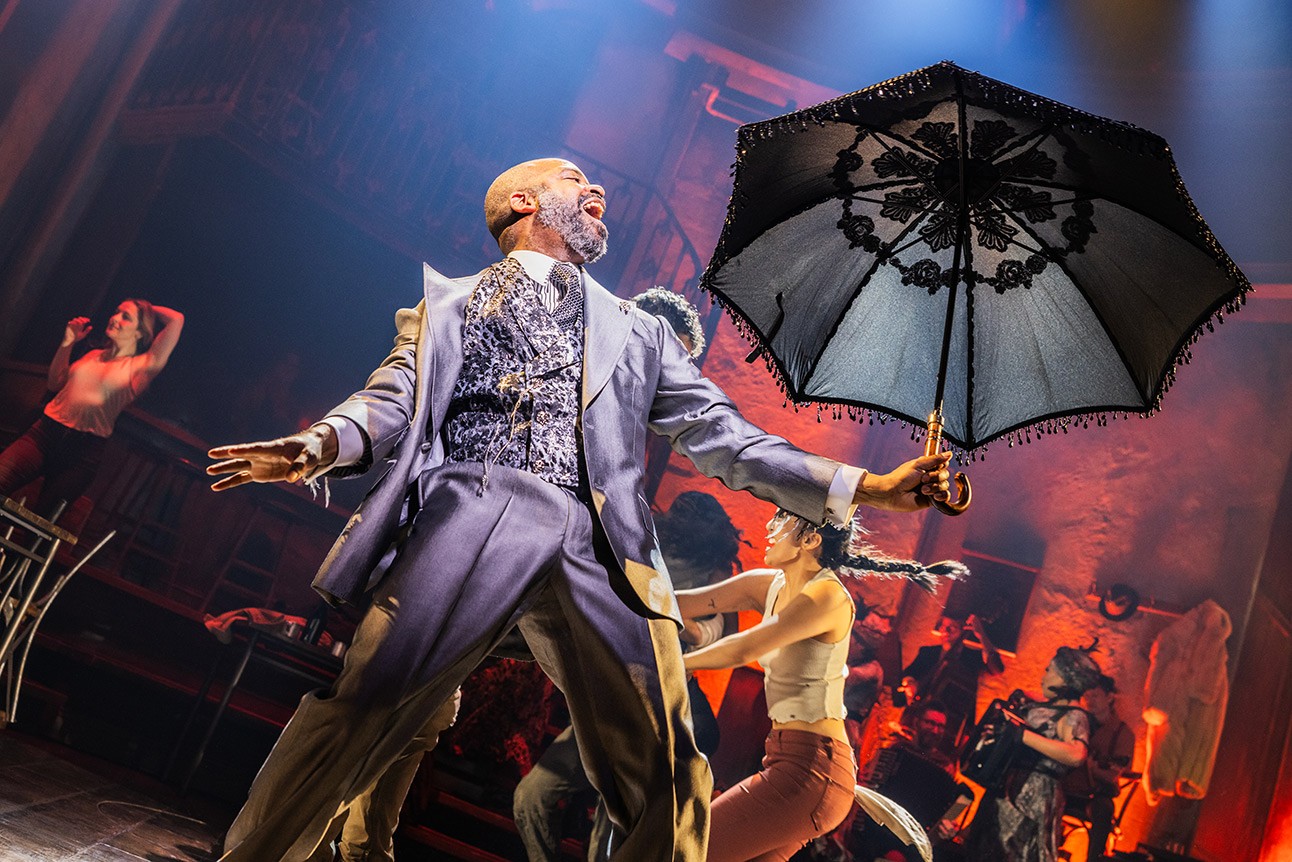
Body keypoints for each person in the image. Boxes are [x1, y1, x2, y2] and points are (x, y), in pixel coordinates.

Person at [205, 156, 953, 862]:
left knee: (668, 773)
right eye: (576, 179)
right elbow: (392, 396)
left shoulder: (640, 331)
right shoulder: (452, 305)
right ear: (524, 202)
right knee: (362, 712)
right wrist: (317, 444)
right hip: (477, 514)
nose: (599, 192)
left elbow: (725, 436)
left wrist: (869, 486)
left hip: (607, 549)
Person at [678, 510, 966, 862]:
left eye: (782, 520)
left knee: (688, 852)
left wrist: (678, 664)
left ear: (811, 539)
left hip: (813, 770)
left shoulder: (828, 596)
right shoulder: (768, 585)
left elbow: (746, 647)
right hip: (793, 762)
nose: (769, 526)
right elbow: (679, 602)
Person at [514, 489, 738, 862]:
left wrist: (680, 623)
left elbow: (720, 633)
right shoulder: (647, 545)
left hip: (659, 707)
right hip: (611, 696)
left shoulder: (716, 572)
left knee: (615, 828)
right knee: (531, 796)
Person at [0, 300, 184, 518]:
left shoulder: (141, 367)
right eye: (116, 312)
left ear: (139, 333)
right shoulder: (92, 355)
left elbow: (176, 319)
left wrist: (146, 309)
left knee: (41, 522)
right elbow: (55, 383)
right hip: (44, 435)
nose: (114, 318)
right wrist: (67, 343)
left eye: (125, 317)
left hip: (82, 454)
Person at [964, 645, 1102, 862]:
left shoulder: (1075, 716)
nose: (1044, 677)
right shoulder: (1049, 706)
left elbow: (1077, 754)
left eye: (1049, 671)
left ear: (1064, 680)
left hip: (1032, 797)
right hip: (1006, 788)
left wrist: (1023, 735)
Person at [850, 700, 970, 862]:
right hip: (875, 836)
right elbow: (868, 789)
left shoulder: (946, 767)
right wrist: (866, 780)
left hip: (911, 848)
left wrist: (948, 827)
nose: (935, 730)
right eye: (930, 723)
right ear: (916, 722)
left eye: (940, 726)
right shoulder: (895, 749)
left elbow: (942, 818)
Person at [896, 612, 1004, 747]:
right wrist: (910, 682)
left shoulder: (972, 658)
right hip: (918, 718)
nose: (945, 630)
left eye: (952, 627)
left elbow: (997, 669)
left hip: (949, 728)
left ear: (963, 630)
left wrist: (981, 635)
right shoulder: (927, 652)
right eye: (943, 625)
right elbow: (908, 674)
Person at [1061, 674, 1134, 861]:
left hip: (1095, 795)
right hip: (1067, 788)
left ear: (1109, 698)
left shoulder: (1122, 733)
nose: (1090, 701)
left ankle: (1095, 859)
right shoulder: (1077, 722)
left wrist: (1092, 768)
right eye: (1087, 696)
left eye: (1095, 696)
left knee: (1104, 809)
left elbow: (1114, 774)